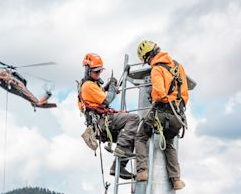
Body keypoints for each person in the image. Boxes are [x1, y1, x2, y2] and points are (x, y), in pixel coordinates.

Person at [134, 40, 189, 190]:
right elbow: (184, 94)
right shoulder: (178, 66)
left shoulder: (157, 69)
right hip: (178, 117)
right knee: (169, 143)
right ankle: (176, 179)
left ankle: (142, 171)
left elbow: (158, 93)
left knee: (140, 135)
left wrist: (154, 97)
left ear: (149, 56)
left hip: (162, 114)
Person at [78, 53, 139, 180]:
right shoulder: (88, 86)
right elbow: (107, 100)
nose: (98, 74)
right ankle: (121, 149)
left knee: (131, 137)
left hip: (101, 125)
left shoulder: (92, 85)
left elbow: (100, 95)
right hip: (102, 122)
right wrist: (111, 87)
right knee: (134, 119)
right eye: (96, 71)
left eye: (100, 71)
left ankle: (118, 167)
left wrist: (107, 86)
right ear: (88, 70)